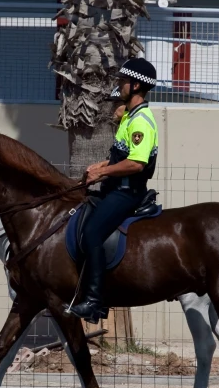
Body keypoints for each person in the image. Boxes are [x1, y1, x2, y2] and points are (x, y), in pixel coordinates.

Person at [63, 57, 159, 323]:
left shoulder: (141, 122)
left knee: (92, 232)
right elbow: (121, 157)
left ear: (136, 85)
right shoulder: (130, 117)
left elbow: (137, 164)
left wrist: (102, 172)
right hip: (115, 188)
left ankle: (94, 302)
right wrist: (101, 165)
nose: (118, 85)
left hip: (127, 193)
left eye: (123, 81)